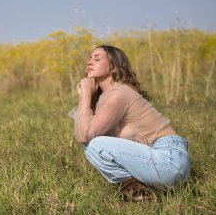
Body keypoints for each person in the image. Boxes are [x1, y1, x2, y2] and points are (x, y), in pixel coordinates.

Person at [68, 45, 191, 201]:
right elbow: (83, 132)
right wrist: (83, 97)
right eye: (89, 58)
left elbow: (84, 135)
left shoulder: (119, 93)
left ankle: (138, 194)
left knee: (95, 145)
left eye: (97, 58)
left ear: (114, 66)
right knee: (92, 142)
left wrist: (85, 96)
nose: (90, 62)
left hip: (169, 160)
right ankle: (143, 197)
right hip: (165, 163)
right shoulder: (109, 95)